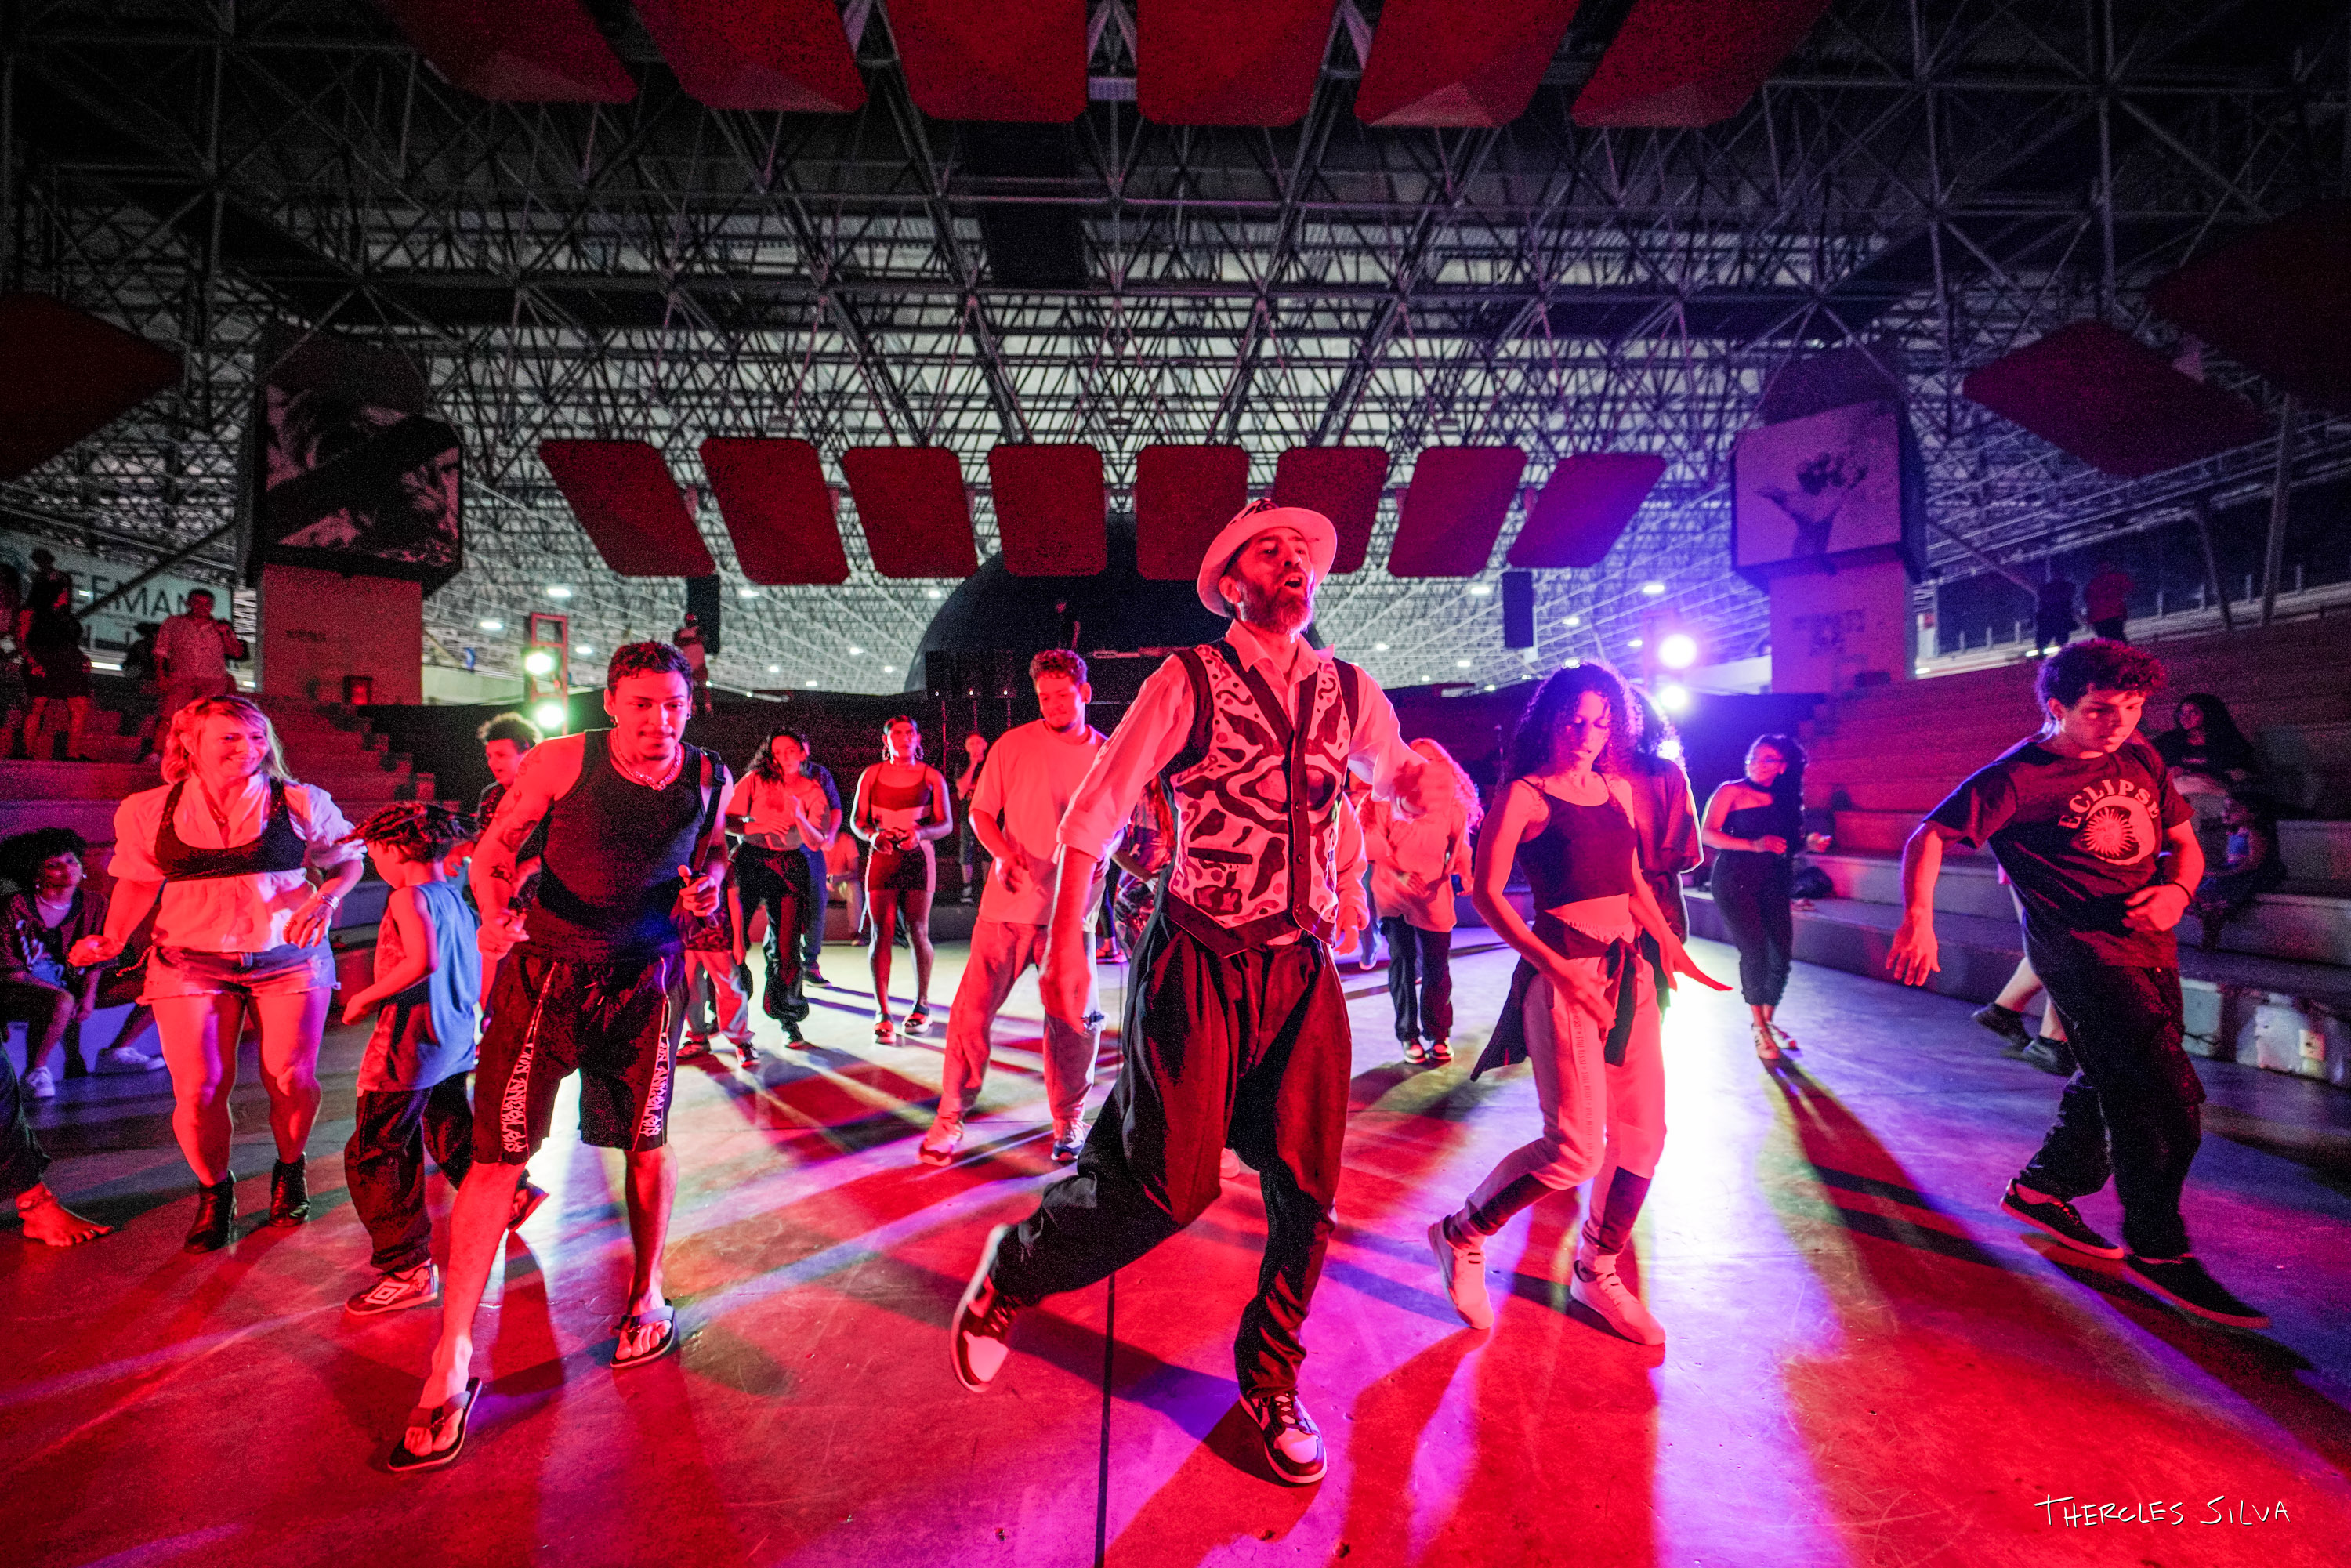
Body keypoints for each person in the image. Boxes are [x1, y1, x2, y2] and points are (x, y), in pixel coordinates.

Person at [948, 501, 1432, 1489]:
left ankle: (1271, 1377)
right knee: (1169, 1187)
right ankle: (1016, 1273)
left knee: (1309, 1191)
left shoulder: (1352, 691)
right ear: (1231, 584)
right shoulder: (1189, 681)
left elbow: (1398, 777)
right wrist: (1066, 946)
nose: (1292, 562)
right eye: (1271, 551)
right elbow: (1098, 809)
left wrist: (1429, 808)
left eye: (1303, 552)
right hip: (1199, 955)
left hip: (1298, 968)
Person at [391, 642, 731, 1472]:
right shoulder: (558, 762)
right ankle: (452, 1359)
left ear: (689, 709)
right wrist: (497, 911)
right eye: (643, 705)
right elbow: (494, 853)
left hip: (647, 980)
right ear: (612, 704)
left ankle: (646, 1295)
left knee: (645, 1147)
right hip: (547, 979)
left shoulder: (709, 774)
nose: (660, 722)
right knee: (496, 1159)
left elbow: (714, 848)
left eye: (674, 707)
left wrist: (710, 885)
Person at [1888, 639, 2266, 1329]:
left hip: (2151, 944)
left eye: (2131, 707)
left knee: (2112, 1074)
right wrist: (1919, 920)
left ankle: (2044, 1188)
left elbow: (2184, 843)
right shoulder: (2018, 776)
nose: (2118, 721)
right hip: (2082, 955)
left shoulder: (2142, 755)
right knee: (2168, 1099)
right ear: (2057, 707)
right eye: (2099, 710)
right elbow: (1931, 835)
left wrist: (2179, 893)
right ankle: (2158, 1248)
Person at [1426, 664, 1726, 1349]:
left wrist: (1670, 949)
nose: (1588, 735)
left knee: (1644, 1136)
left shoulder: (1617, 787)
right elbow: (1488, 891)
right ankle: (1459, 1232)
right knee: (1573, 1151)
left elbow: (1632, 881)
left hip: (1630, 976)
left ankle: (1597, 1269)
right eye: (1575, 720)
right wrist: (1555, 965)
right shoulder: (1526, 796)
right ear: (1550, 720)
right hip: (1566, 978)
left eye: (1601, 722)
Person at [69, 696, 364, 1250]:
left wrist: (325, 899)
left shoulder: (299, 800)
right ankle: (214, 1191)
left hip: (288, 957)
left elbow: (349, 859)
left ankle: (290, 1168)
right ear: (190, 743)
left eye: (256, 738)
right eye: (229, 737)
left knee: (288, 1077)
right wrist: (111, 937)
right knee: (200, 1089)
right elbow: (136, 879)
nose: (247, 749)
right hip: (189, 957)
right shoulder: (148, 808)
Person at [338, 803, 547, 1316]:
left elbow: (422, 961)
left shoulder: (408, 897)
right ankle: (514, 1196)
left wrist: (365, 997)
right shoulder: (453, 895)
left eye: (372, 852)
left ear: (393, 848)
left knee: (376, 1151)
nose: (372, 862)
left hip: (408, 1047)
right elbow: (476, 958)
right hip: (450, 1043)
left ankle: (406, 1266)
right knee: (449, 1128)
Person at [922, 650, 1109, 1166]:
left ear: (1084, 693)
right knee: (970, 1016)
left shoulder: (1106, 754)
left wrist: (1105, 855)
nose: (1050, 705)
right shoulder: (1013, 745)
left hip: (1071, 918)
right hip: (1005, 909)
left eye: (1061, 695)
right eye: (1043, 696)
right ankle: (950, 1115)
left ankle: (1068, 1119)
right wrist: (1003, 854)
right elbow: (981, 814)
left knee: (1073, 1024)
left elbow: (1118, 822)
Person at [2, 829, 162, 1095]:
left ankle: (118, 1051)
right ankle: (36, 1072)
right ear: (34, 873)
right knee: (61, 1001)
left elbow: (102, 953)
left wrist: (88, 994)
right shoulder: (13, 907)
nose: (67, 869)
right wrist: (62, 995)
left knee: (162, 981)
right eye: (53, 865)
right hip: (25, 986)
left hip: (74, 980)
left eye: (70, 861)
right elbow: (11, 973)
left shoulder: (93, 902)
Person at [1364, 739, 1477, 1065]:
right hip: (1393, 894)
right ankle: (1408, 1034)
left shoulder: (1452, 808)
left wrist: (1465, 874)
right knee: (1402, 962)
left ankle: (1438, 1033)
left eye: (1431, 760)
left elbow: (1460, 847)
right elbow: (1375, 848)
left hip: (1433, 894)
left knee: (1437, 967)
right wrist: (1400, 876)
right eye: (1418, 759)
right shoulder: (1385, 804)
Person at [726, 729, 839, 1045]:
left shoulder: (813, 789)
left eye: (790, 751)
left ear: (802, 753)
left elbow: (818, 841)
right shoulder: (754, 780)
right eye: (778, 753)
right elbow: (728, 820)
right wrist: (759, 825)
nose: (784, 757)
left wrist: (800, 819)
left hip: (789, 863)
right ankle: (726, 1011)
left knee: (787, 948)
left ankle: (788, 1017)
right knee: (732, 940)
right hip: (751, 860)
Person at [1701, 734, 1806, 1060]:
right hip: (1736, 879)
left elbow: (1787, 845)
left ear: (1783, 766)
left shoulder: (1788, 800)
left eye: (1768, 759)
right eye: (1754, 757)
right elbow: (1707, 833)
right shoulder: (1731, 791)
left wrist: (1809, 844)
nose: (1758, 764)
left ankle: (1769, 1021)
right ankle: (1758, 1026)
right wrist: (1753, 845)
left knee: (1781, 956)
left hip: (1774, 880)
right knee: (1756, 952)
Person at [851, 716, 951, 1041]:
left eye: (910, 733)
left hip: (919, 857)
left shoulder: (931, 776)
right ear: (886, 740)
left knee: (918, 930)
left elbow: (946, 824)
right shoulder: (872, 775)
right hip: (882, 857)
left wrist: (919, 833)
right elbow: (857, 821)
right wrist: (873, 836)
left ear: (918, 738)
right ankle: (883, 1012)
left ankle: (922, 1005)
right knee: (880, 932)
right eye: (897, 733)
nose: (904, 738)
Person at [1625, 690, 1703, 945]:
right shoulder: (1576, 776)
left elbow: (1680, 851)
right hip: (1590, 910)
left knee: (1653, 981)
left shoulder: (1665, 774)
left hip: (1654, 903)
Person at [676, 863, 755, 1065]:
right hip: (685, 938)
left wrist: (738, 939)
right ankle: (697, 1038)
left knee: (730, 990)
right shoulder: (678, 860)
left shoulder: (722, 864)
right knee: (690, 992)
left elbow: (734, 901)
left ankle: (741, 1041)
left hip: (718, 937)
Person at [2190, 791, 2285, 951]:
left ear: (2254, 813)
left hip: (2250, 876)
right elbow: (2230, 860)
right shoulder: (2234, 833)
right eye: (2225, 808)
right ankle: (2209, 931)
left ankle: (2212, 932)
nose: (2226, 813)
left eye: (2233, 809)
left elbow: (2253, 864)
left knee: (2215, 893)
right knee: (2202, 892)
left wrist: (2223, 874)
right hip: (2234, 872)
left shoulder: (2254, 834)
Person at [16, 564, 92, 761]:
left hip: (69, 661)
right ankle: (27, 751)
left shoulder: (66, 615)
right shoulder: (33, 611)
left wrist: (82, 657)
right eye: (63, 587)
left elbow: (69, 641)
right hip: (43, 659)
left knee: (80, 705)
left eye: (67, 586)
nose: (67, 591)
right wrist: (32, 661)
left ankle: (72, 752)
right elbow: (21, 638)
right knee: (37, 705)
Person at [154, 588, 246, 734]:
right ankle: (159, 752)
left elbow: (236, 653)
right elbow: (161, 652)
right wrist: (161, 677)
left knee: (207, 719)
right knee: (171, 715)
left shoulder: (221, 626)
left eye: (207, 604)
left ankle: (201, 753)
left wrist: (225, 633)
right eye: (197, 603)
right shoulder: (173, 623)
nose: (202, 607)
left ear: (212, 606)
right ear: (188, 603)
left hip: (213, 680)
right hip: (182, 678)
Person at [955, 731, 990, 904]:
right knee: (965, 850)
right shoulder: (962, 765)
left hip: (989, 813)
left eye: (978, 743)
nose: (975, 747)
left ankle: (987, 887)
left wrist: (973, 787)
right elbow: (962, 788)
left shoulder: (991, 763)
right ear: (966, 748)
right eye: (971, 744)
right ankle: (967, 887)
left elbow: (992, 787)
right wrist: (973, 764)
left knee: (988, 851)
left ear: (985, 745)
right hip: (967, 815)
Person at [2085, 562, 2133, 642]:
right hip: (2112, 614)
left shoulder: (2094, 583)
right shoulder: (2117, 578)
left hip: (2101, 617)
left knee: (2107, 641)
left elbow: (2088, 599)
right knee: (2117, 640)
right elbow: (2131, 589)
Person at [675, 613, 712, 716]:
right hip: (688, 662)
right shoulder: (681, 632)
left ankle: (707, 706)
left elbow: (701, 639)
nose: (690, 623)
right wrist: (693, 641)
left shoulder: (698, 630)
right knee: (691, 687)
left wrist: (686, 641)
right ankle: (693, 707)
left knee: (702, 685)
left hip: (698, 662)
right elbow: (677, 642)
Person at [2033, 573, 2076, 656]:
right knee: (2044, 643)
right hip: (2052, 619)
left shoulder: (2051, 588)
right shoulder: (2064, 587)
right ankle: (2043, 658)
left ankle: (2058, 658)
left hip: (2056, 619)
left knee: (2059, 642)